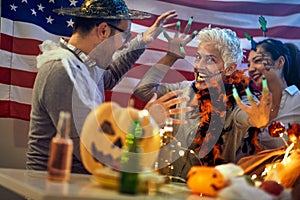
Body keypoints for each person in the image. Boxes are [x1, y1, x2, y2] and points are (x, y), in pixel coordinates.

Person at [26, 0, 189, 174]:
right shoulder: (62, 70)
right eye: (125, 37)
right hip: (51, 187)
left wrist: (143, 41)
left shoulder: (83, 64)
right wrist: (145, 122)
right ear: (103, 30)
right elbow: (92, 152)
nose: (126, 44)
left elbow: (109, 77)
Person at [134, 25, 249, 179]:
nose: (199, 66)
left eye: (210, 60)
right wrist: (171, 56)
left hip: (208, 191)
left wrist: (258, 118)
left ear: (229, 69)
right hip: (170, 186)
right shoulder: (184, 88)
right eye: (198, 57)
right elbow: (143, 90)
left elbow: (248, 118)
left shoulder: (238, 101)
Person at [235, 39, 300, 153]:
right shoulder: (251, 104)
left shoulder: (297, 101)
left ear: (280, 62)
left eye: (258, 61)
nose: (250, 69)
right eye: (249, 64)